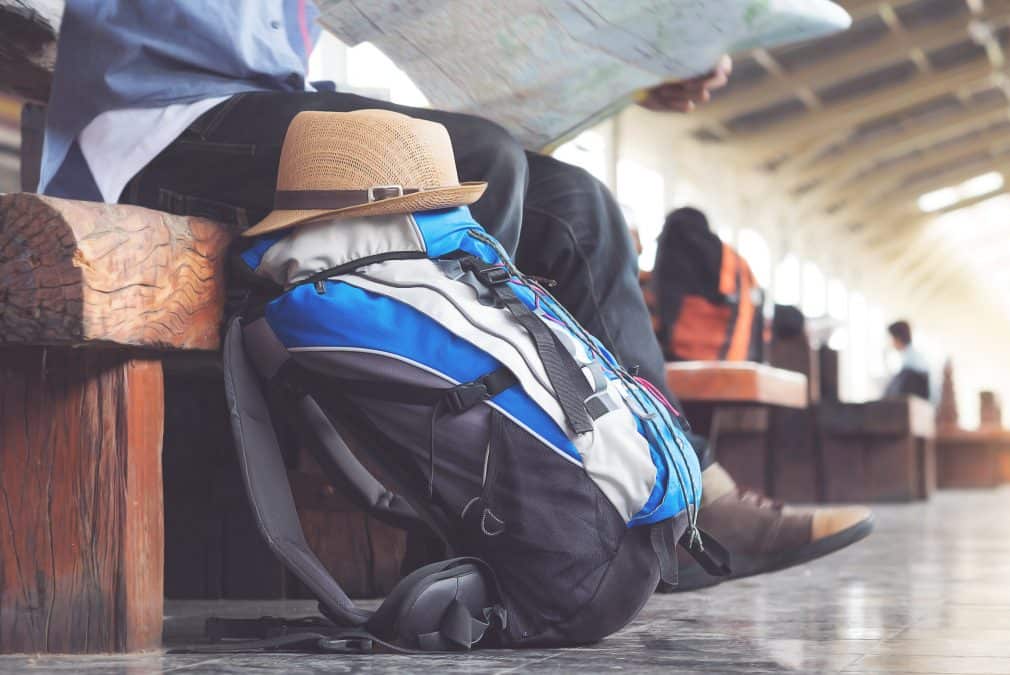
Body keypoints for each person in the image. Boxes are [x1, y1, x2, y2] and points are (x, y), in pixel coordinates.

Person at [38, 0, 872, 593]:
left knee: (581, 209)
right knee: (477, 159)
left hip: (266, 105)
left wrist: (640, 66)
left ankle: (685, 504)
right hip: (154, 119)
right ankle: (475, 515)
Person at [652, 207, 763, 362]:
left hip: (684, 361)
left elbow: (667, 306)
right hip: (736, 360)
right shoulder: (735, 260)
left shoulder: (678, 242)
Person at [883, 320, 932, 400]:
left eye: (891, 338)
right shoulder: (910, 357)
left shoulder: (911, 361)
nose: (890, 343)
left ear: (897, 338)